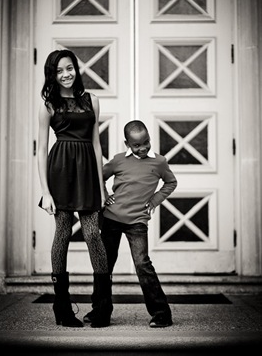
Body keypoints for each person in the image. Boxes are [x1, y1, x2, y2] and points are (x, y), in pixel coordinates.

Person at [37, 49, 112, 328]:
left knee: (93, 234)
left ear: (76, 69)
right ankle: (62, 307)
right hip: (60, 172)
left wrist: (102, 185)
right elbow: (42, 148)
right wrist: (45, 191)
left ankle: (103, 307)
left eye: (69, 68)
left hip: (88, 175)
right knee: (63, 232)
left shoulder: (92, 99)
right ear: (52, 75)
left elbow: (96, 144)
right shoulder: (48, 104)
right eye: (59, 71)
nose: (66, 74)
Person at [84, 120, 177, 328]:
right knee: (104, 266)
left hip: (137, 221)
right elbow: (100, 177)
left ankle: (161, 313)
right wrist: (104, 195)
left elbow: (171, 182)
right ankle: (100, 310)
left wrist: (154, 200)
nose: (142, 148)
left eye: (146, 142)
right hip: (111, 219)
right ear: (127, 143)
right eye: (136, 145)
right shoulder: (119, 161)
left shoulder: (159, 162)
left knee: (143, 264)